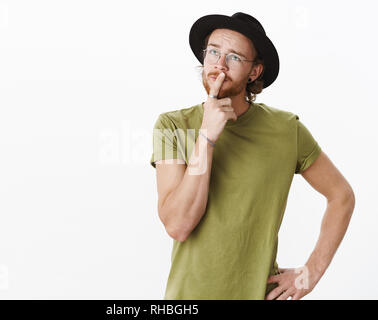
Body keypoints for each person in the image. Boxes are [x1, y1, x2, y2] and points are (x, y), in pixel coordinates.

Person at [149, 12, 355, 300]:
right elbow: (178, 225)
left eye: (233, 57)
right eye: (213, 52)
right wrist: (207, 136)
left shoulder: (287, 130)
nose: (218, 65)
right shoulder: (172, 126)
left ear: (254, 72)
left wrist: (311, 272)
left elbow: (341, 195)